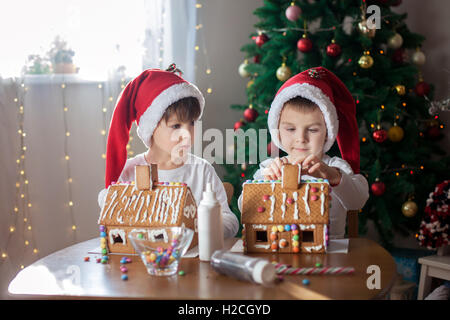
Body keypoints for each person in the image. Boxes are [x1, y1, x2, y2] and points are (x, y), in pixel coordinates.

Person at [98, 65, 239, 239]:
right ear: (151, 127)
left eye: (192, 123)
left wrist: (201, 231)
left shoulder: (202, 171)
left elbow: (229, 221)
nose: (186, 134)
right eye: (176, 126)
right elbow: (113, 224)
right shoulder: (129, 173)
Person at [238, 67, 369, 239]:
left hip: (330, 255)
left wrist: (334, 177)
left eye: (313, 130)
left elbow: (357, 200)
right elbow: (243, 207)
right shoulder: (271, 167)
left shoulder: (334, 167)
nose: (301, 138)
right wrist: (264, 180)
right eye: (291, 129)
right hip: (280, 250)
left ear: (327, 133)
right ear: (278, 131)